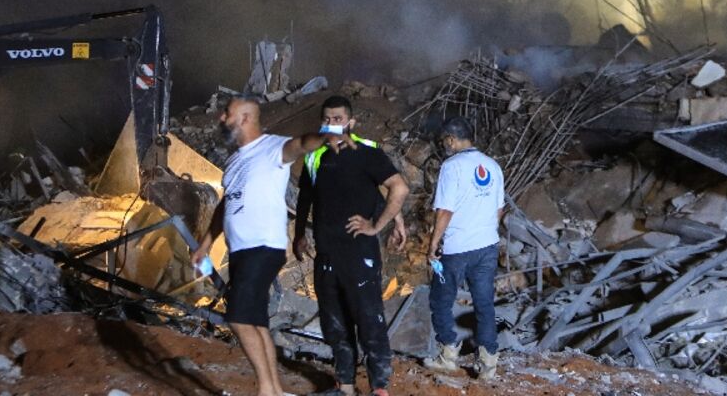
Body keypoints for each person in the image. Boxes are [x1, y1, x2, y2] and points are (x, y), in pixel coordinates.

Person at [191, 97, 313, 396]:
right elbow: (226, 206)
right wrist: (205, 244)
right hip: (242, 251)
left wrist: (326, 135)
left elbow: (300, 144)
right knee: (255, 321)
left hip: (263, 246)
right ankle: (273, 389)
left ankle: (267, 391)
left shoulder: (272, 148)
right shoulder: (235, 161)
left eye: (227, 114)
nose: (221, 118)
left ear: (245, 118)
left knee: (238, 316)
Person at [292, 95, 409, 396]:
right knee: (335, 323)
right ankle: (344, 385)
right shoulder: (314, 156)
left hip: (359, 253)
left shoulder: (367, 152)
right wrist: (299, 235)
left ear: (351, 122)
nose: (332, 124)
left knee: (369, 320)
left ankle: (378, 387)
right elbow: (306, 195)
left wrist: (380, 225)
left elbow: (397, 188)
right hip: (326, 253)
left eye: (338, 119)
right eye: (327, 119)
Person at [423, 116, 505, 380]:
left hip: (457, 249)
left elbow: (445, 210)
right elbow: (499, 210)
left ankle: (448, 357)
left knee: (440, 300)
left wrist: (434, 243)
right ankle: (488, 366)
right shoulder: (493, 165)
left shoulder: (452, 166)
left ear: (451, 139)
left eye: (444, 141)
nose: (444, 145)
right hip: (487, 246)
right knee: (484, 304)